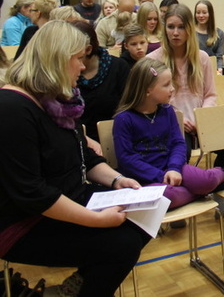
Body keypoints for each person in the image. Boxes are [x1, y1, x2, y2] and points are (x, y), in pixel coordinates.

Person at [0, 20, 148, 296]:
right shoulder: (12, 107)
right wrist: (97, 220)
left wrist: (118, 180)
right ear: (57, 59)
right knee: (122, 244)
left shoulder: (57, 100)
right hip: (24, 221)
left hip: (66, 197)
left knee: (144, 215)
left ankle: (73, 288)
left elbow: (85, 156)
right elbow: (32, 194)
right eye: (78, 58)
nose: (82, 66)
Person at [113, 58, 224, 211]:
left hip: (174, 168)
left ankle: (223, 174)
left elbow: (178, 143)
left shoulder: (168, 111)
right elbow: (127, 158)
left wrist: (174, 168)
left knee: (203, 180)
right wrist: (161, 176)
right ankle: (208, 190)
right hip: (146, 177)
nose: (172, 89)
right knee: (166, 197)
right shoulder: (124, 119)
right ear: (147, 90)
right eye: (166, 85)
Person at [147, 4, 224, 167]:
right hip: (171, 122)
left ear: (189, 29)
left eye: (181, 27)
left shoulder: (202, 58)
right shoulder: (152, 60)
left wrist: (201, 117)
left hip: (201, 120)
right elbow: (152, 101)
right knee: (182, 152)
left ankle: (218, 177)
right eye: (171, 27)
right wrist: (179, 117)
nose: (175, 33)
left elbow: (210, 95)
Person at [70, 19, 131, 144]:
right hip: (76, 141)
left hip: (115, 139)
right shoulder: (67, 71)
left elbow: (129, 109)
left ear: (88, 49)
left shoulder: (119, 67)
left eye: (71, 51)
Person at [194, 0, 224, 75]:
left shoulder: (219, 33)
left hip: (212, 70)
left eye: (204, 13)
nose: (201, 16)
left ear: (210, 14)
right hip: (195, 70)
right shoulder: (190, 32)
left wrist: (219, 69)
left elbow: (219, 56)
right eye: (198, 12)